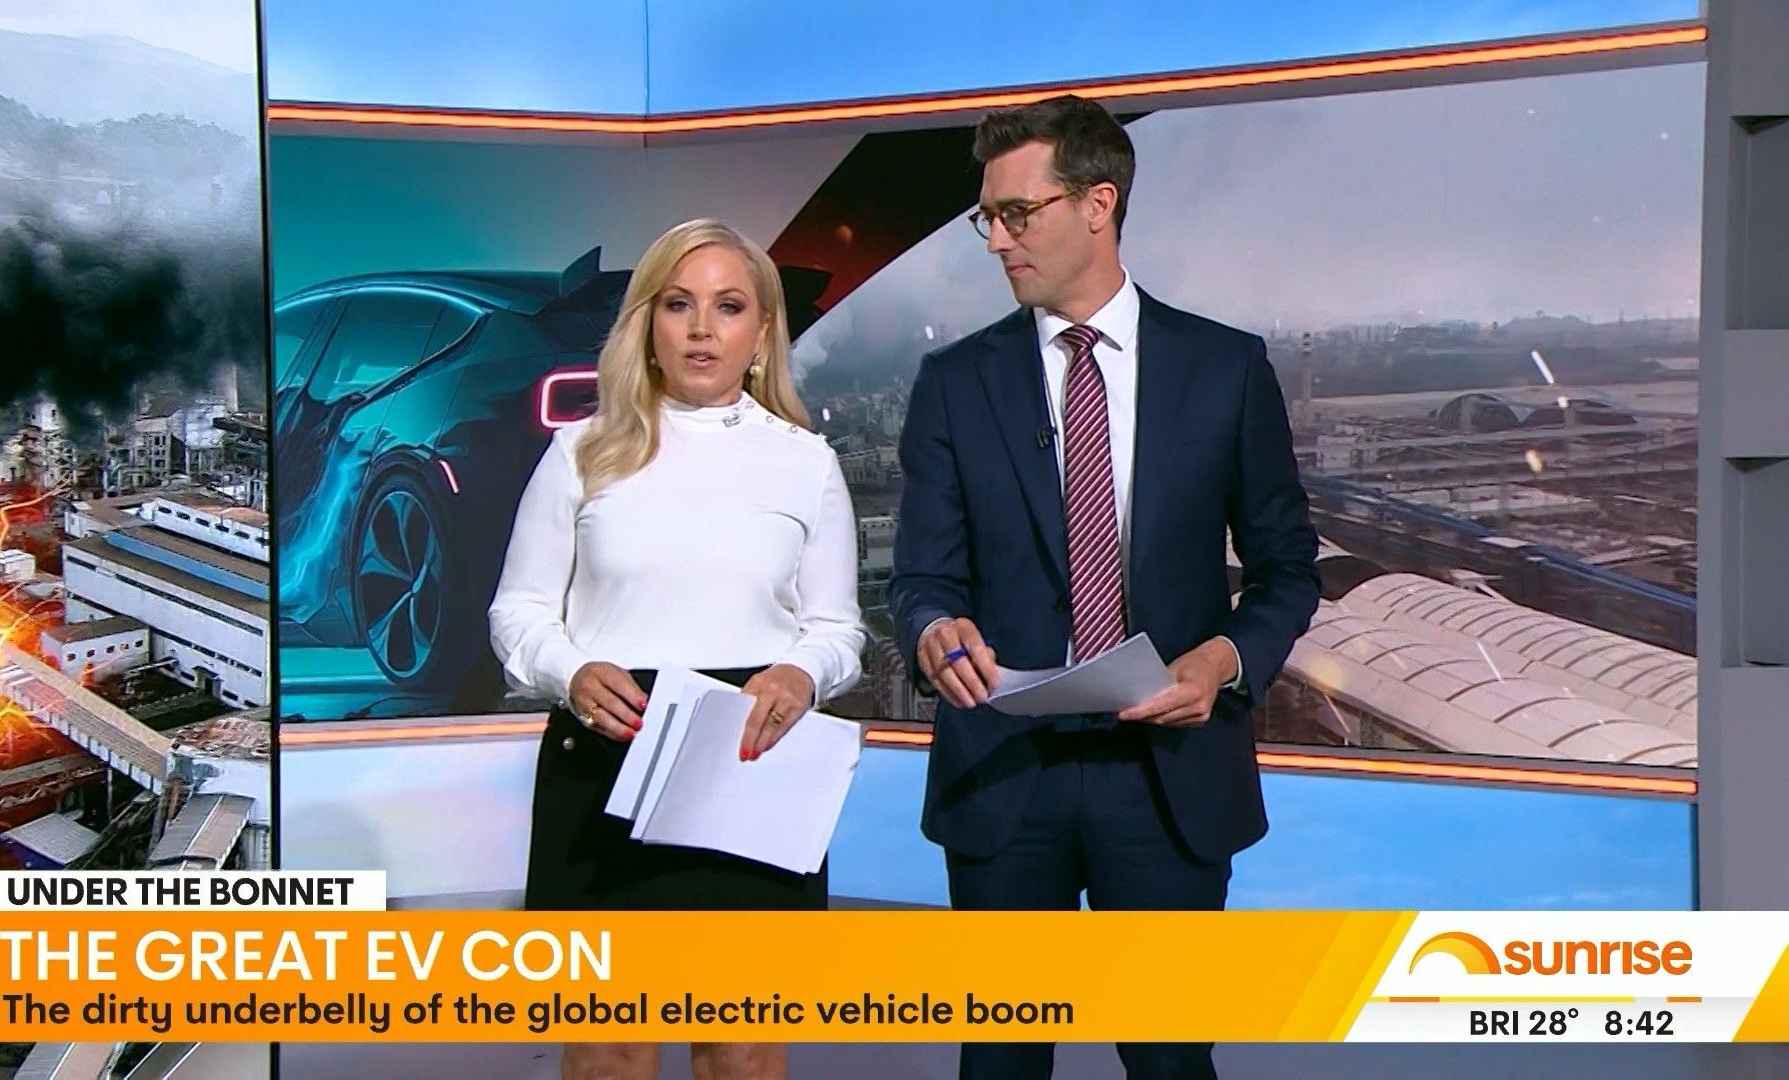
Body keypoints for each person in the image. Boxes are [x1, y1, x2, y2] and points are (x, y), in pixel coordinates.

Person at [889, 96, 1320, 1080]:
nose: (995, 241)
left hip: (1167, 780)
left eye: (1016, 214)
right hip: (1005, 775)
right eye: (987, 218)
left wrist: (1225, 660)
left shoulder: (1224, 370)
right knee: (1000, 1067)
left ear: (1098, 205)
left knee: (1170, 1063)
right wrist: (933, 629)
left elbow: (1289, 566)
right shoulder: (953, 383)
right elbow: (920, 577)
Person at [489, 218, 865, 1080]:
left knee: (741, 1048)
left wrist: (802, 673)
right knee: (610, 1047)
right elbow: (519, 612)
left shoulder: (806, 463)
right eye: (678, 305)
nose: (702, 329)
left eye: (728, 307)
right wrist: (569, 672)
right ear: (646, 325)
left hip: (751, 769)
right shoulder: (580, 452)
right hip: (607, 761)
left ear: (761, 334)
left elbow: (839, 629)